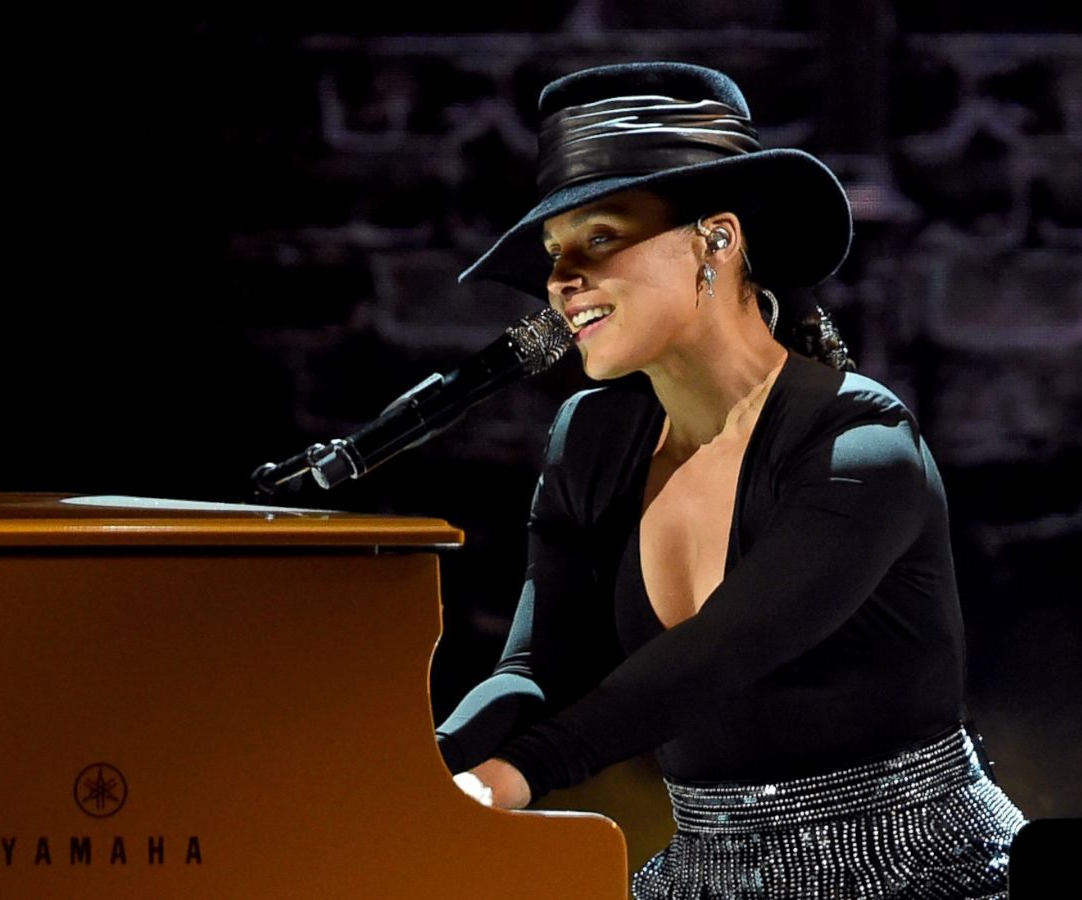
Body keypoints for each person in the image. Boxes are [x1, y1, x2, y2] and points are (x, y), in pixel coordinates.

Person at [436, 61, 1025, 899]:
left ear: (718, 239)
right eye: (552, 251)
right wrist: (429, 764)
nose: (562, 279)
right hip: (705, 878)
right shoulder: (591, 439)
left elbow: (709, 663)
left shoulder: (861, 442)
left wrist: (513, 776)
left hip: (926, 877)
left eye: (599, 237)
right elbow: (538, 669)